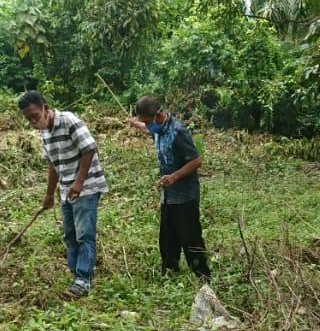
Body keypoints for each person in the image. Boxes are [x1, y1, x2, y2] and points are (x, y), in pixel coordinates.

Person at [20, 90, 109, 298]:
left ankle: (83, 280)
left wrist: (79, 182)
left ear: (45, 107)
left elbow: (89, 149)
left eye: (35, 114)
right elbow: (53, 164)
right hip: (66, 190)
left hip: (86, 187)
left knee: (84, 234)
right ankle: (75, 274)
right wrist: (49, 194)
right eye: (28, 118)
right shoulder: (44, 132)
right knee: (69, 235)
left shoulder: (69, 120)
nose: (33, 121)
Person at [127, 96, 210, 280]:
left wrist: (174, 176)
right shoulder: (157, 128)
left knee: (190, 237)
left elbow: (196, 160)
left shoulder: (178, 131)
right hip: (168, 196)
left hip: (185, 195)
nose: (147, 125)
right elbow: (147, 129)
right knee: (167, 238)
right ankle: (170, 273)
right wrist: (135, 123)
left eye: (147, 121)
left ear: (157, 115)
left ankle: (203, 276)